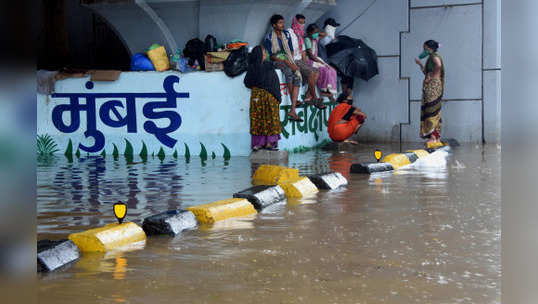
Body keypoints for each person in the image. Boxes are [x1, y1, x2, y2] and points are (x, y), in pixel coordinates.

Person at [265, 14, 303, 122]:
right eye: (280, 23)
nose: (283, 25)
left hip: (287, 58)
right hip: (277, 61)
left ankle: (293, 109)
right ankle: (293, 107)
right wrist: (284, 60)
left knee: (297, 75)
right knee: (288, 71)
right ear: (274, 25)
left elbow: (290, 50)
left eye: (283, 22)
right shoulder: (269, 37)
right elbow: (271, 56)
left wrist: (289, 59)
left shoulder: (286, 34)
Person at [244, 46, 282, 151]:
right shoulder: (262, 67)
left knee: (264, 121)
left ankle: (264, 144)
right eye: (264, 52)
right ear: (259, 54)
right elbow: (248, 82)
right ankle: (264, 143)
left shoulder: (260, 67)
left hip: (262, 98)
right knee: (264, 121)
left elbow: (247, 83)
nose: (266, 55)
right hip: (264, 98)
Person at [289, 14, 325, 109]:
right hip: (293, 60)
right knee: (311, 72)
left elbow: (304, 54)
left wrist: (306, 66)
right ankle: (315, 98)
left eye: (303, 23)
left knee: (316, 72)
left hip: (300, 60)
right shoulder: (290, 33)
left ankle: (308, 97)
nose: (302, 25)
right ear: (295, 22)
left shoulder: (301, 35)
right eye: (300, 23)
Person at [414, 39, 445, 144]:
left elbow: (439, 65)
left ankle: (433, 137)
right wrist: (420, 64)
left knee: (431, 111)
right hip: (433, 85)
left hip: (433, 86)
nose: (423, 49)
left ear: (428, 48)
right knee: (434, 110)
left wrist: (431, 77)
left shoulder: (434, 57)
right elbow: (426, 73)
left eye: (424, 47)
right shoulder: (431, 58)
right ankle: (435, 136)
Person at [304, 23, 338, 102]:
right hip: (310, 60)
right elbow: (310, 55)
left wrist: (316, 34)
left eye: (316, 32)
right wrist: (321, 62)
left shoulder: (315, 38)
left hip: (316, 59)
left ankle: (328, 92)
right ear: (309, 32)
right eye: (314, 32)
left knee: (332, 71)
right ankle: (321, 92)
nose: (316, 34)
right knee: (325, 70)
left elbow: (325, 34)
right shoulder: (307, 40)